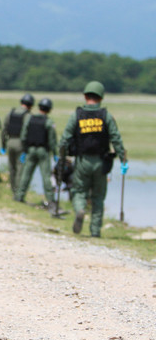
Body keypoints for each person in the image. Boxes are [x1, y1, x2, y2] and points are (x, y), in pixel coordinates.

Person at [58, 81, 127, 237]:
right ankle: (95, 231)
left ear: (85, 96)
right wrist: (123, 159)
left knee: (78, 191)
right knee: (98, 196)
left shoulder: (77, 115)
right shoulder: (106, 116)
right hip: (101, 162)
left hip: (82, 161)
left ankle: (80, 209)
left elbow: (65, 139)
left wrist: (61, 156)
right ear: (101, 98)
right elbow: (116, 139)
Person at [15, 98, 59, 215]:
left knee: (26, 174)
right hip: (43, 151)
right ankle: (50, 200)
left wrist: (25, 150)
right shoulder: (48, 122)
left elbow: (24, 135)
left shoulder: (30, 119)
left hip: (30, 150)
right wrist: (55, 153)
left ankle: (19, 196)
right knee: (46, 176)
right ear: (49, 109)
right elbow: (52, 141)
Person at [1, 93, 34, 193]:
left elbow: (4, 130)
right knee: (20, 168)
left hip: (10, 142)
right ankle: (18, 192)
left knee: (12, 168)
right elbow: (28, 132)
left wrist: (3, 144)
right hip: (20, 143)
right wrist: (27, 147)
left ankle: (13, 189)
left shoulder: (11, 113)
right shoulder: (28, 115)